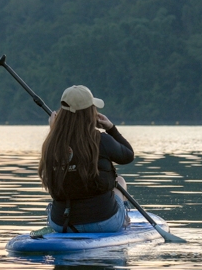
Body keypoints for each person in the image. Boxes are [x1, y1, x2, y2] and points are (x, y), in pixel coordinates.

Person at [39, 84, 134, 233]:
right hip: (104, 222)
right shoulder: (102, 140)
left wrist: (53, 133)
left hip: (61, 224)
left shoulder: (51, 144)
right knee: (120, 181)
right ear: (90, 113)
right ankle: (124, 219)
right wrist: (111, 128)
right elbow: (128, 155)